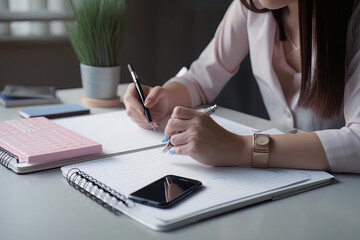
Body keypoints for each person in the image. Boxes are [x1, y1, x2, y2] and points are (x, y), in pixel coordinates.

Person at [124, 0, 360, 173]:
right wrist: (162, 99)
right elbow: (200, 79)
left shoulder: (354, 18)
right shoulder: (251, 7)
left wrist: (238, 147)